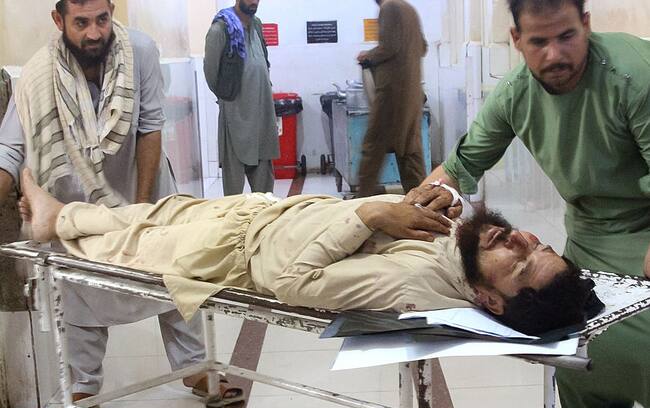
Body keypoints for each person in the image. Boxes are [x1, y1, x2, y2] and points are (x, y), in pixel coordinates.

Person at [402, 0, 650, 408]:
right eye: (539, 42)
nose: (555, 54)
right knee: (572, 336)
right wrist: (415, 210)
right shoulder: (516, 93)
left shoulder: (632, 74)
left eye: (567, 37)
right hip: (592, 227)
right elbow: (460, 167)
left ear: (586, 25)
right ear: (516, 40)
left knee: (640, 339)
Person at [19, 167, 597, 338]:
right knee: (148, 214)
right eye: (537, 243)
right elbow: (425, 219)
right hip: (260, 217)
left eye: (521, 265)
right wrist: (439, 201)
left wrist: (369, 215)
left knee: (126, 243)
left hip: (232, 252)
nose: (520, 240)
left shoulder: (415, 286)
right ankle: (56, 215)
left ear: (492, 302)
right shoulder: (461, 250)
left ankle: (52, 222)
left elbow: (293, 281)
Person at [0, 0, 214, 408]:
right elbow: (9, 151)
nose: (95, 33)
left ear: (112, 11)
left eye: (102, 19)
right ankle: (84, 386)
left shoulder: (141, 51)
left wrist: (138, 211)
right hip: (74, 203)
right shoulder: (39, 74)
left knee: (170, 275)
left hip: (140, 187)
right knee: (79, 289)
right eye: (81, 23)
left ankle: (195, 367)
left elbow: (150, 127)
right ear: (59, 20)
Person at [203, 0, 279, 196]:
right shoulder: (220, 29)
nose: (254, 1)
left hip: (262, 116)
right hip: (235, 116)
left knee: (265, 195)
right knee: (234, 195)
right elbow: (211, 75)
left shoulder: (257, 25)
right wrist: (229, 99)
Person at [355, 0, 428, 197]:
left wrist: (367, 56)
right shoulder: (409, 9)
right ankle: (422, 202)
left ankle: (361, 202)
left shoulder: (389, 8)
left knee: (373, 147)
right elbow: (423, 47)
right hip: (412, 92)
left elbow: (389, 47)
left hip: (392, 94)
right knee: (410, 151)